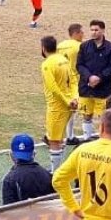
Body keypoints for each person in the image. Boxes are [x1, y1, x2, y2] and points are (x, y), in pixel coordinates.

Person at [76, 19, 111, 140]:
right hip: (86, 88)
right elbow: (79, 65)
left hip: (103, 90)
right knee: (86, 115)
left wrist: (99, 78)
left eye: (96, 30)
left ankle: (103, 140)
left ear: (103, 30)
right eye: (92, 30)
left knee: (104, 117)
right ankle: (86, 138)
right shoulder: (84, 46)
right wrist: (89, 77)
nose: (93, 32)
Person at [40, 35, 78, 172]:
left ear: (43, 48)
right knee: (60, 138)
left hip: (57, 106)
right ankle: (58, 169)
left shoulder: (47, 64)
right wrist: (74, 98)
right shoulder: (64, 60)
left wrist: (67, 101)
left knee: (54, 140)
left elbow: (53, 88)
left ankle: (55, 173)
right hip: (69, 104)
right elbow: (73, 80)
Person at [0, 135, 53, 204]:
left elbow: (7, 210)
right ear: (34, 154)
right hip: (47, 214)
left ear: (11, 155)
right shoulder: (47, 175)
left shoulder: (9, 180)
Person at [57, 24, 83, 145]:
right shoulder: (80, 46)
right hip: (73, 81)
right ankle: (69, 136)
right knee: (71, 108)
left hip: (60, 80)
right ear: (76, 33)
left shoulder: (60, 46)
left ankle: (59, 134)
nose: (83, 34)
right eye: (82, 32)